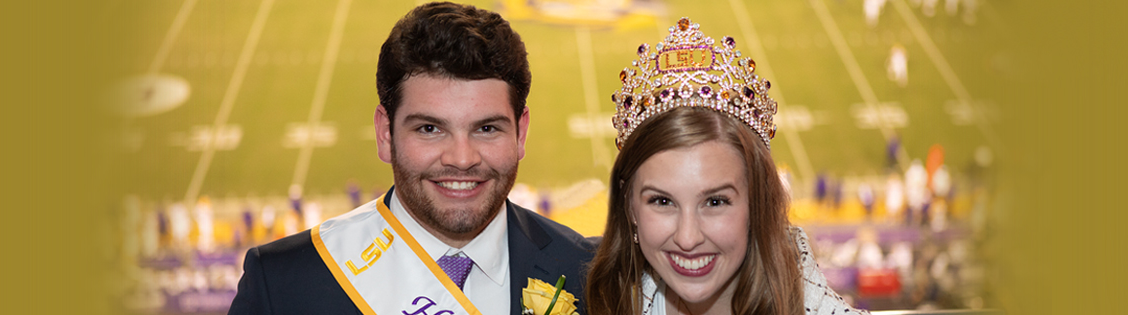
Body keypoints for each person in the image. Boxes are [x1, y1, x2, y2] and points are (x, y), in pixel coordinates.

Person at [228, 2, 596, 314]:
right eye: (430, 129)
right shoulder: (283, 286)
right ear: (385, 133)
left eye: (486, 129)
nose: (462, 159)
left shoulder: (590, 276)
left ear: (521, 133)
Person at [584, 17, 869, 315]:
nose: (688, 238)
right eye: (662, 201)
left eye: (715, 201)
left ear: (758, 201)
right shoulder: (605, 301)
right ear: (629, 205)